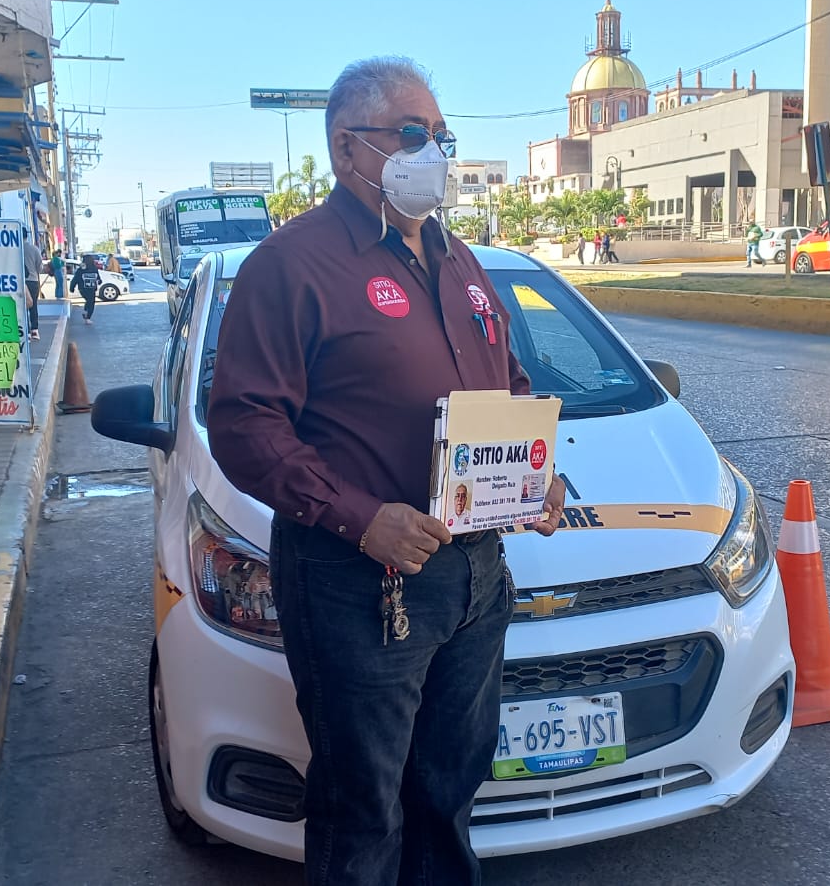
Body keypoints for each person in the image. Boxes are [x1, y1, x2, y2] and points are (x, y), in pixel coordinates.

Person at [206, 57, 566, 886]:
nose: (433, 151)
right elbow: (243, 422)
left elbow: (506, 386)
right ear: (347, 150)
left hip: (474, 572)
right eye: (413, 134)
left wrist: (536, 474)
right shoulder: (291, 266)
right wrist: (361, 515)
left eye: (441, 135)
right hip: (360, 582)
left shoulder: (461, 262)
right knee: (363, 809)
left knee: (447, 791)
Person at [22, 230, 42, 341]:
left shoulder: (15, 249)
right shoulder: (34, 249)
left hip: (20, 282)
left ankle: (26, 331)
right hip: (33, 281)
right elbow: (40, 266)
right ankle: (35, 330)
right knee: (33, 305)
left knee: (22, 306)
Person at [72, 253, 103, 324]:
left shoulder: (81, 269)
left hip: (83, 289)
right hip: (91, 288)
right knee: (91, 302)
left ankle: (86, 312)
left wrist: (72, 287)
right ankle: (87, 317)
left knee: (89, 300)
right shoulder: (94, 268)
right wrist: (99, 281)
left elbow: (75, 278)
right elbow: (98, 277)